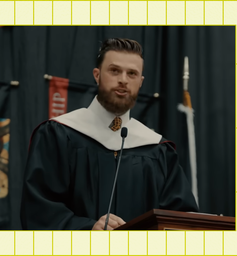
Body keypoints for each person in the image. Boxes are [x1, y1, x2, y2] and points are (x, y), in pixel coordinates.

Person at [20, 38, 198, 230]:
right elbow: (38, 211)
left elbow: (180, 221)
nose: (123, 79)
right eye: (114, 71)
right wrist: (87, 230)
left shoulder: (158, 150)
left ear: (141, 82)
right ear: (97, 75)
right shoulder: (59, 134)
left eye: (132, 73)